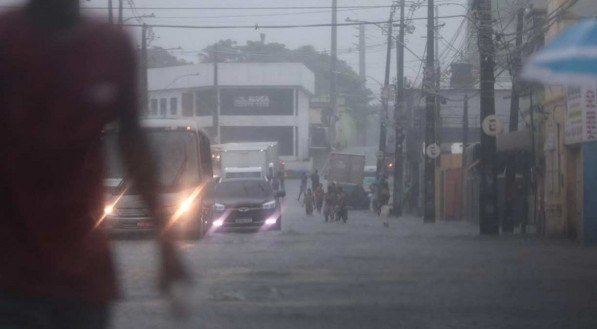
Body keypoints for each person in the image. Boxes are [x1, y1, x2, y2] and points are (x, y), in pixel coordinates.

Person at [0, 1, 189, 327]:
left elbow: (135, 147)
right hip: (11, 275)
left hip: (84, 275)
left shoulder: (110, 46)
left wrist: (167, 245)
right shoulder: (6, 40)